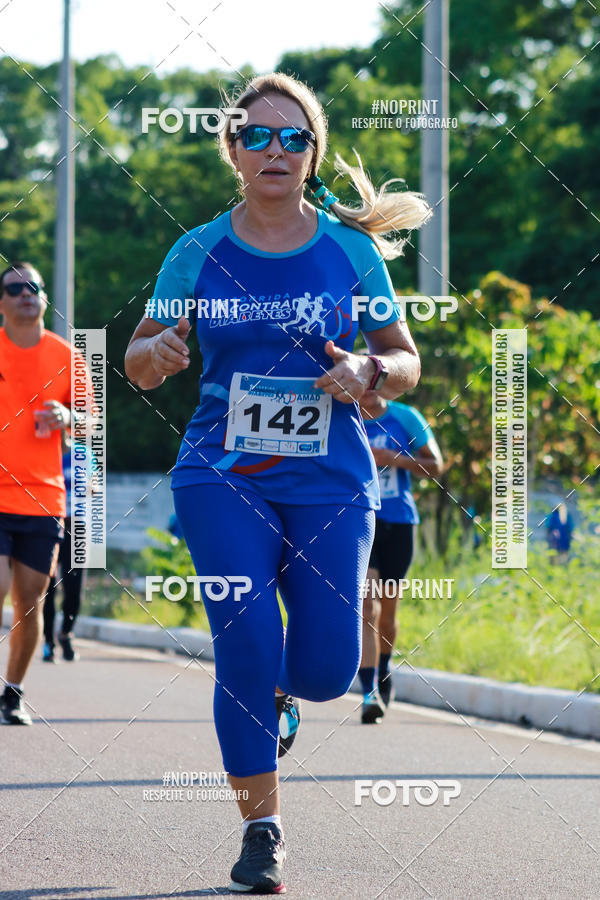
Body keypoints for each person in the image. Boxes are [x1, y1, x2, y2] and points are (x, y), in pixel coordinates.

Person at [125, 72, 430, 894]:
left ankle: (288, 694)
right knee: (246, 640)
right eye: (256, 135)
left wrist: (371, 367)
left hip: (331, 475)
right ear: (231, 149)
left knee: (330, 670)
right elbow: (139, 359)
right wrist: (154, 355)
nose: (274, 150)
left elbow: (405, 360)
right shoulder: (195, 251)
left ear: (312, 154)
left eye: (293, 138)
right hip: (221, 474)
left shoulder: (349, 250)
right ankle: (262, 828)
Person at [0, 262, 79, 723]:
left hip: (43, 498)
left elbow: (93, 422)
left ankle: (12, 693)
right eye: (15, 288)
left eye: (35, 287)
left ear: (44, 298)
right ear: (2, 301)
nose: (27, 294)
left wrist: (69, 419)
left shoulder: (67, 355)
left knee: (30, 598)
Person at [358, 393, 443, 723]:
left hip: (400, 521)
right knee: (368, 607)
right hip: (362, 519)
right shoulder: (342, 415)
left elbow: (436, 465)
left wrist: (393, 457)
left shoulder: (405, 417)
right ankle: (368, 694)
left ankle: (383, 667)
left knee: (388, 614)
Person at [42, 434, 88, 663]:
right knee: (47, 587)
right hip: (48, 524)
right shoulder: (42, 453)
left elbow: (94, 486)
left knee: (74, 589)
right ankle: (48, 642)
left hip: (76, 526)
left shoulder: (83, 454)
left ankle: (65, 633)